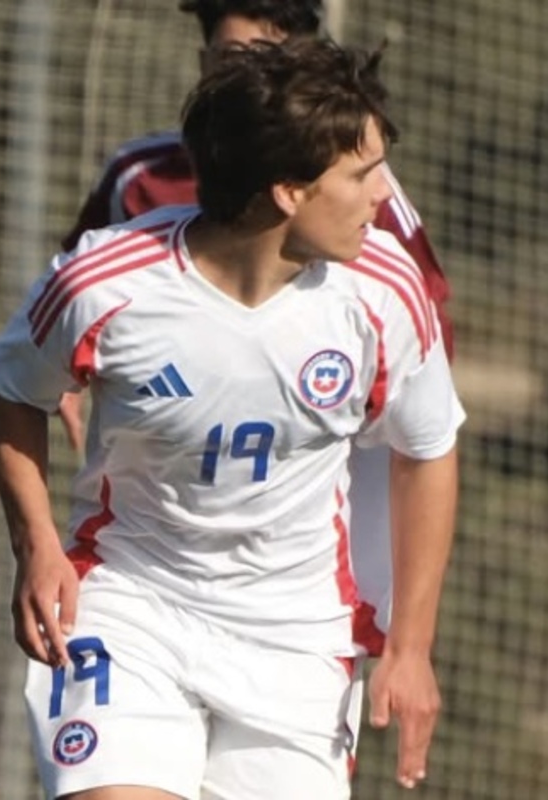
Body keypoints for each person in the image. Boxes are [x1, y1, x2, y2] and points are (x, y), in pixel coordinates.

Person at [0, 37, 462, 799]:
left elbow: (427, 449)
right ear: (287, 192)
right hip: (131, 602)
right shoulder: (106, 285)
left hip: (296, 641)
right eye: (363, 174)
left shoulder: (385, 293)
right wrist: (36, 541)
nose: (384, 198)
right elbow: (10, 388)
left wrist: (413, 644)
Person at [58, 0, 453, 656]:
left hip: (300, 530)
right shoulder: (139, 179)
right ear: (202, 61)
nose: (248, 78)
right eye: (232, 59)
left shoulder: (357, 195)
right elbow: (70, 302)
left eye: (267, 61)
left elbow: (420, 352)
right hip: (152, 557)